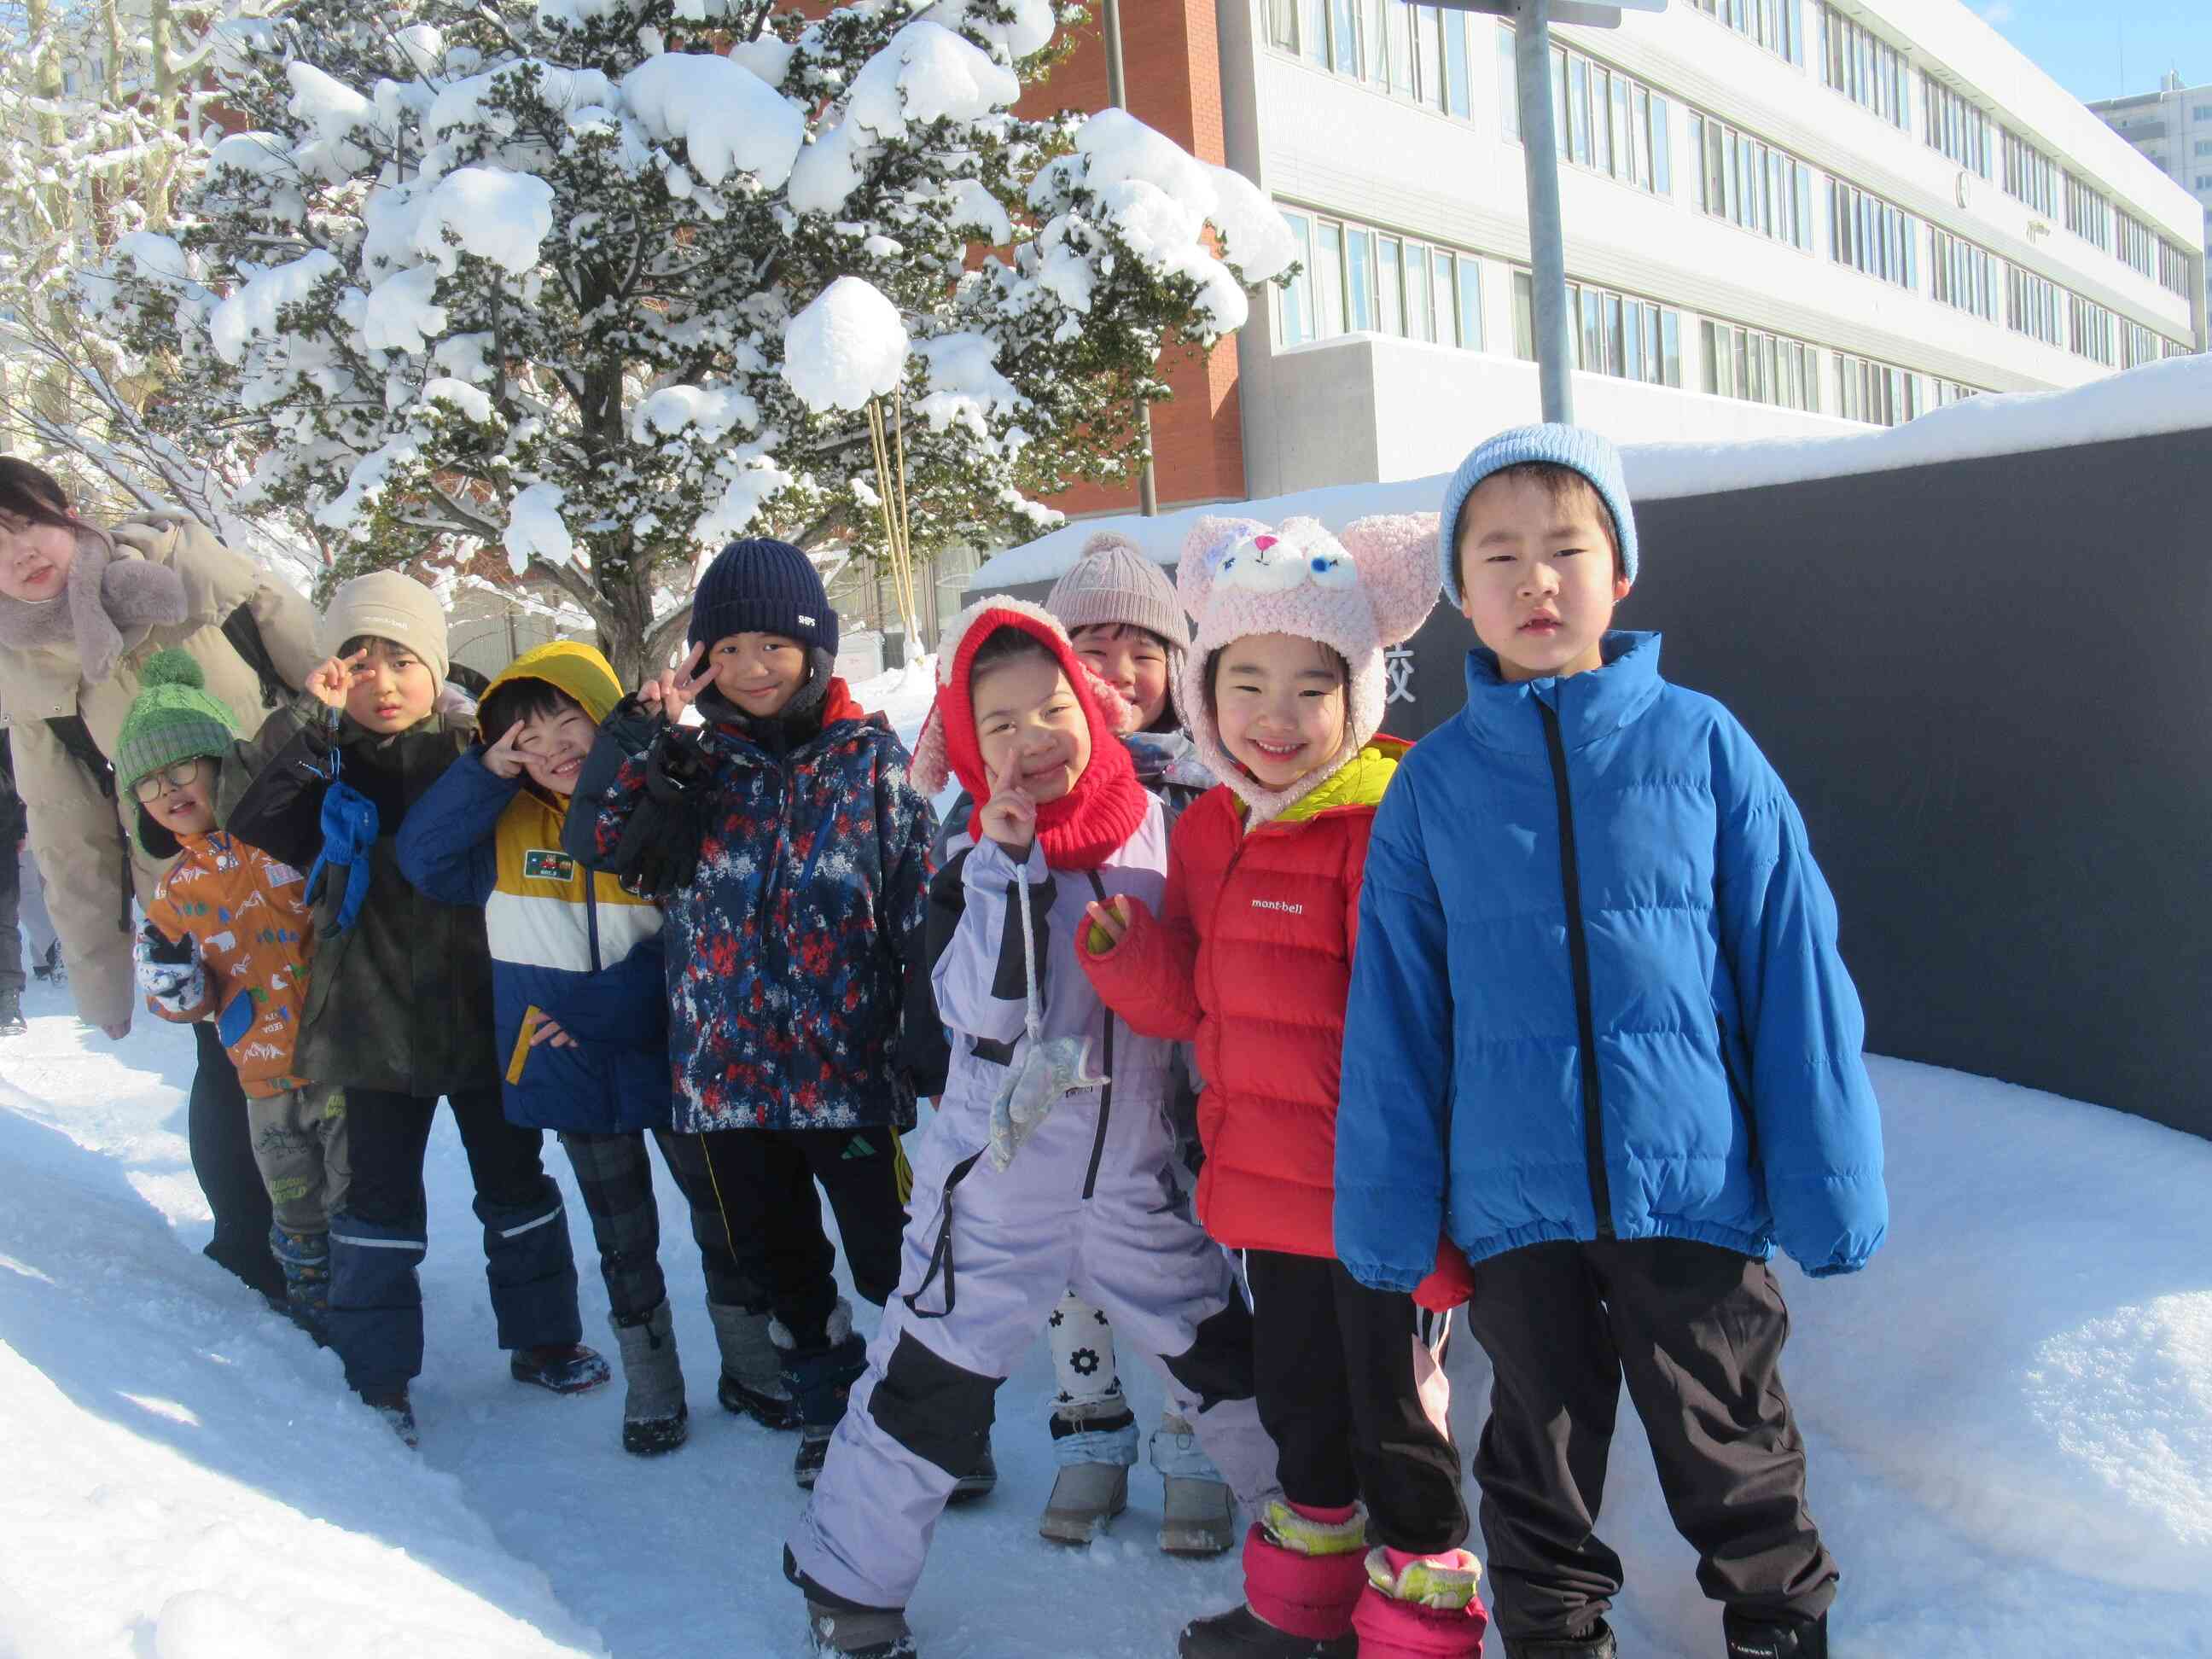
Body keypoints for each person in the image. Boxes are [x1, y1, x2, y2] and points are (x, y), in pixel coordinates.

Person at [1336, 426, 1889, 1659]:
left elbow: (1794, 974)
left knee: (1733, 1449)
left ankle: (1782, 1633)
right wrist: (1387, 1213)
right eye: (1499, 557)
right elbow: (1397, 1017)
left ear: (1619, 571)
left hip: (1694, 1194)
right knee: (1535, 1467)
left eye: (1566, 549)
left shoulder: (1701, 747)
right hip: (1515, 1207)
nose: (1536, 581)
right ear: (1460, 594)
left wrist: (1826, 1178)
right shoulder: (1432, 788)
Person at [785, 600, 1282, 1659]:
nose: (1031, 741)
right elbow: (979, 1014)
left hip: (1139, 1176)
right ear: (969, 742)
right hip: (1002, 1184)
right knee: (931, 1379)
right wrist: (1010, 868)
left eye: (1051, 709)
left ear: (1091, 709)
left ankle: (1311, 1563)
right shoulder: (974, 849)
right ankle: (847, 1582)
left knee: (1228, 1363)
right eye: (999, 725)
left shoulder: (1163, 824)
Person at [1080, 514, 1488, 1659]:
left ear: (1357, 694)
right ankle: (1305, 1617)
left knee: (1397, 1422)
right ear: (1205, 696)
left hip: (1388, 1201)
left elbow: (1437, 1010)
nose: (1272, 716)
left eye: (1308, 687)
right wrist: (1131, 961)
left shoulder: (1393, 811)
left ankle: (1419, 1634)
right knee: (1300, 1406)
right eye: (1244, 682)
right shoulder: (1209, 831)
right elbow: (1200, 1008)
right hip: (1267, 1189)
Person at [577, 538, 934, 1488]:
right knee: (779, 1260)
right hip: (726, 1084)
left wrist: (926, 1030)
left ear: (814, 650)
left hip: (848, 1075)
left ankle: (923, 1417)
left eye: (773, 645)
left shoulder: (871, 764)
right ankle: (825, 1399)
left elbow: (918, 904)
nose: (752, 668)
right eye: (727, 650)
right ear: (703, 663)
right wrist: (650, 725)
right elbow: (600, 840)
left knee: (889, 1256)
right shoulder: (690, 768)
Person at [221, 571, 605, 1443]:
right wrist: (304, 722)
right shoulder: (322, 759)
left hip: (484, 1007)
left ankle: (546, 1341)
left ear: (436, 666)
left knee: (516, 1182)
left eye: (402, 660)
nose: (382, 682)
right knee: (378, 1202)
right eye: (357, 663)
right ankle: (379, 1372)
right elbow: (250, 820)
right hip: (370, 1017)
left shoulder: (478, 745)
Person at [399, 639, 792, 1456]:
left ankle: (752, 1365)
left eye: (567, 723)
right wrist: (486, 775)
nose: (552, 750)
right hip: (568, 1063)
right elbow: (424, 858)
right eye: (524, 740)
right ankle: (653, 1384)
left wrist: (600, 1005)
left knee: (722, 1217)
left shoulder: (657, 812)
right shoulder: (501, 828)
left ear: (603, 719)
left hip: (671, 1052)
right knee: (621, 1237)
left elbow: (694, 934)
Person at [0, 458, 320, 1301]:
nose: (18, 551)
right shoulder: (27, 676)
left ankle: (359, 1249)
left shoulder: (189, 577)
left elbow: (331, 681)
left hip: (309, 860)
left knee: (345, 1062)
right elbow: (68, 835)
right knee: (229, 1068)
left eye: (25, 522)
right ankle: (252, 1261)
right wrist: (100, 980)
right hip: (195, 895)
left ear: (67, 512)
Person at [120, 649, 348, 1337]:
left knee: (356, 1200)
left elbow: (292, 759)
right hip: (261, 1082)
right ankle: (313, 1328)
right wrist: (170, 977)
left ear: (222, 764)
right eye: (149, 783)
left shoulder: (274, 842)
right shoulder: (176, 891)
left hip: (337, 1058)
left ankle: (372, 1324)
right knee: (294, 1208)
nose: (169, 790)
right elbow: (181, 1005)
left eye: (182, 767)